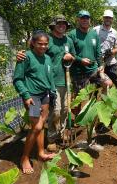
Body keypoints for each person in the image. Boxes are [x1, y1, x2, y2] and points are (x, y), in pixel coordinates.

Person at [16, 15, 76, 152]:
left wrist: (71, 57)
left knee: (65, 110)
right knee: (54, 112)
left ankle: (61, 133)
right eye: (59, 23)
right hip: (49, 83)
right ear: (53, 25)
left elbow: (74, 55)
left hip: (65, 80)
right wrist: (21, 54)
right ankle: (52, 138)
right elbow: (35, 53)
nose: (62, 26)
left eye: (64, 24)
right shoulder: (46, 40)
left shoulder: (69, 40)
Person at [13, 30, 56, 174]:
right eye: (40, 44)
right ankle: (24, 158)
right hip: (32, 96)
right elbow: (17, 79)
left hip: (45, 95)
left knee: (41, 125)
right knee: (36, 127)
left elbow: (49, 77)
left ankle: (41, 153)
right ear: (33, 43)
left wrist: (53, 91)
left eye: (45, 44)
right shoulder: (26, 57)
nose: (43, 47)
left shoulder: (48, 58)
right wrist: (25, 95)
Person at [68, 10, 112, 95]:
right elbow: (70, 54)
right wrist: (80, 60)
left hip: (93, 70)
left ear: (89, 20)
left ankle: (102, 104)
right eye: (82, 18)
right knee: (80, 99)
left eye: (87, 18)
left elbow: (98, 52)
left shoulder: (94, 34)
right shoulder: (72, 34)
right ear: (78, 20)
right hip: (79, 72)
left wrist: (101, 66)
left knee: (108, 83)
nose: (85, 20)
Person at [94, 10, 117, 90]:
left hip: (111, 61)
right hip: (98, 62)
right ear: (103, 18)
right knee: (95, 85)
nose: (108, 19)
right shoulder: (96, 30)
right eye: (106, 17)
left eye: (109, 18)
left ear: (112, 19)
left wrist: (112, 52)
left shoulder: (114, 32)